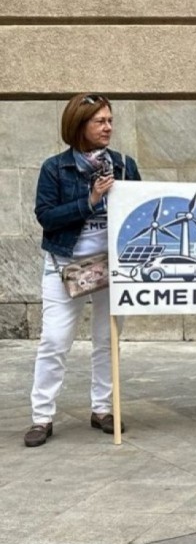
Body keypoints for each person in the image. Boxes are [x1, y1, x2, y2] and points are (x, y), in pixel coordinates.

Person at [27, 94, 142, 448]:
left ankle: (104, 409)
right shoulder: (55, 168)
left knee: (107, 340)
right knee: (55, 341)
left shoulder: (123, 165)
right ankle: (41, 416)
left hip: (112, 267)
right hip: (66, 265)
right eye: (100, 121)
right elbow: (46, 216)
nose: (108, 127)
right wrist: (89, 201)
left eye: (110, 120)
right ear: (80, 125)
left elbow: (140, 210)